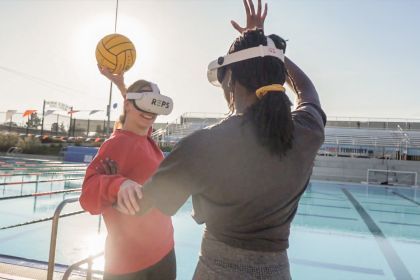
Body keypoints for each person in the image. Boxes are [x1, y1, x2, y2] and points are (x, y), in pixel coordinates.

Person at [114, 0, 326, 278]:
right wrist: (267, 47)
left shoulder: (203, 146)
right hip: (277, 271)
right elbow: (308, 91)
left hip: (218, 270)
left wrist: (117, 184)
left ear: (230, 80)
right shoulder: (307, 131)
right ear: (278, 73)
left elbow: (141, 206)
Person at [79, 72, 176, 280]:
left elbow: (138, 111)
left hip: (165, 250)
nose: (150, 111)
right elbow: (87, 196)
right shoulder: (117, 144)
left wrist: (122, 85)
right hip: (130, 264)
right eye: (144, 101)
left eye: (154, 104)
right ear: (128, 105)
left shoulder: (146, 138)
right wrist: (118, 185)